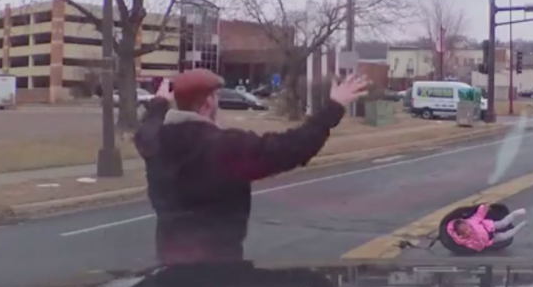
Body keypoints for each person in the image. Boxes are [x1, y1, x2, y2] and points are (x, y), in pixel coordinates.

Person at [134, 70, 368, 265]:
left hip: (168, 262)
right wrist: (334, 106)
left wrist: (159, 103)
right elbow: (291, 148)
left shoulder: (155, 141)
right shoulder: (226, 147)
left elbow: (147, 127)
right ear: (208, 102)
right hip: (220, 266)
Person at [447, 204, 527, 252]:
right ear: (461, 235)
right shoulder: (467, 241)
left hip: (489, 226)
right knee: (505, 236)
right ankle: (521, 226)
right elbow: (477, 247)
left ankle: (516, 213)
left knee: (503, 223)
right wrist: (483, 243)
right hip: (491, 239)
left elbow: (478, 216)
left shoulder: (471, 222)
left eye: (467, 227)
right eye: (465, 231)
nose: (468, 230)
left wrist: (484, 207)